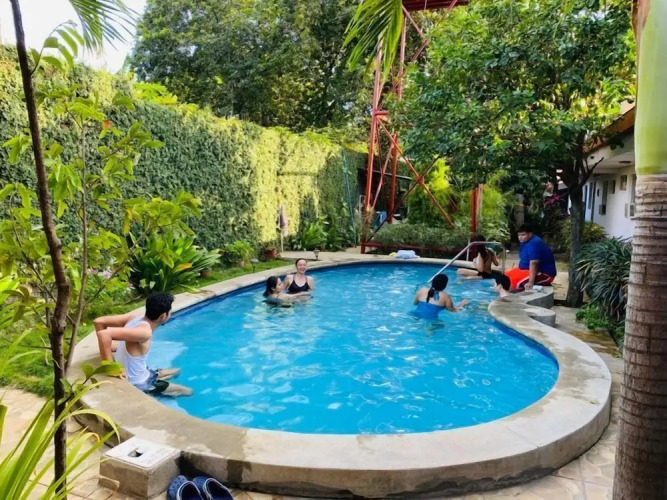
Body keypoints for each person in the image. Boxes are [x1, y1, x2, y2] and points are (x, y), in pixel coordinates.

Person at [94, 292, 192, 397]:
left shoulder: (134, 318)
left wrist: (108, 348)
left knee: (177, 371)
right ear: (163, 316)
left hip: (145, 372)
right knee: (188, 391)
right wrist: (111, 368)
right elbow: (104, 334)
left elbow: (99, 321)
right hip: (141, 383)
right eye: (170, 312)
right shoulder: (144, 333)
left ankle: (161, 379)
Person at [505, 224, 557, 291]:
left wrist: (531, 282)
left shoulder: (534, 243)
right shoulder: (524, 242)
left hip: (544, 274)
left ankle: (509, 296)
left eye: (523, 235)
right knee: (505, 277)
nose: (520, 237)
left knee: (512, 283)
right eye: (519, 235)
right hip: (526, 269)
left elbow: (534, 263)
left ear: (530, 234)